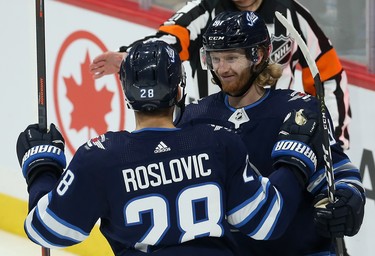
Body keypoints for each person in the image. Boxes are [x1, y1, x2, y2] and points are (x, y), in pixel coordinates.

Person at [17, 41, 322, 255]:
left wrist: (42, 168)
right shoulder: (218, 141)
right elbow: (267, 221)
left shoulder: (100, 157)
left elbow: (47, 230)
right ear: (179, 90)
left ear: (126, 96)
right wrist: (294, 160)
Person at [176, 11, 365, 255]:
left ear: (260, 55)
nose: (221, 69)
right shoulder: (193, 117)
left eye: (231, 58)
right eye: (215, 59)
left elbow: (338, 172)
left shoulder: (300, 110)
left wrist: (348, 200)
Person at [89, 0, 351, 151]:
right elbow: (169, 41)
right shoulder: (204, 9)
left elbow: (328, 76)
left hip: (274, 133)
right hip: (210, 134)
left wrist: (333, 140)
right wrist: (132, 55)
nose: (224, 67)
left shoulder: (292, 15)